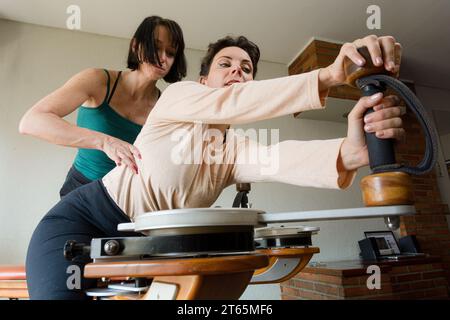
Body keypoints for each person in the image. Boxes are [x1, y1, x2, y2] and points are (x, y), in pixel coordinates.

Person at [25, 34, 404, 299]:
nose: (238, 72)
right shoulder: (176, 98)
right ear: (203, 80)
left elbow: (282, 159)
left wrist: (353, 151)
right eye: (226, 64)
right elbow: (232, 102)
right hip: (78, 225)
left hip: (143, 247)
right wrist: (330, 75)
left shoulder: (232, 151)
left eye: (247, 68)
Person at [19, 16, 187, 198]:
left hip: (126, 198)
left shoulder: (164, 108)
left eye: (170, 53)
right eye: (155, 46)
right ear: (136, 46)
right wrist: (105, 142)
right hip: (81, 187)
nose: (163, 57)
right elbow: (31, 121)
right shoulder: (97, 80)